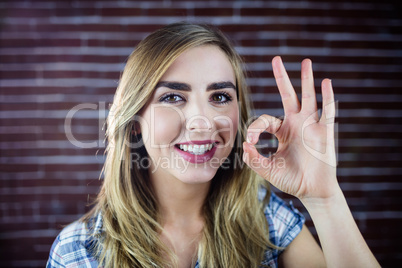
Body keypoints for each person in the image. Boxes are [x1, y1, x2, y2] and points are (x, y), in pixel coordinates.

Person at [46, 22, 380, 268]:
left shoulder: (268, 221)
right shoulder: (78, 251)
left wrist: (324, 199)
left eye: (220, 96)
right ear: (134, 123)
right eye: (173, 96)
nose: (202, 121)